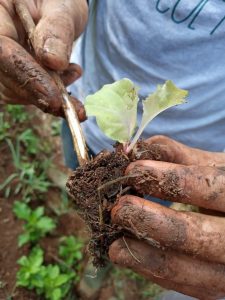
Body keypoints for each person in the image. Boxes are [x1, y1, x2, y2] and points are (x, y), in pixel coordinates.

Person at [1, 1, 225, 299]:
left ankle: (104, 249)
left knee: (137, 214)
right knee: (80, 174)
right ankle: (92, 225)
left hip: (180, 158)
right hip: (88, 109)